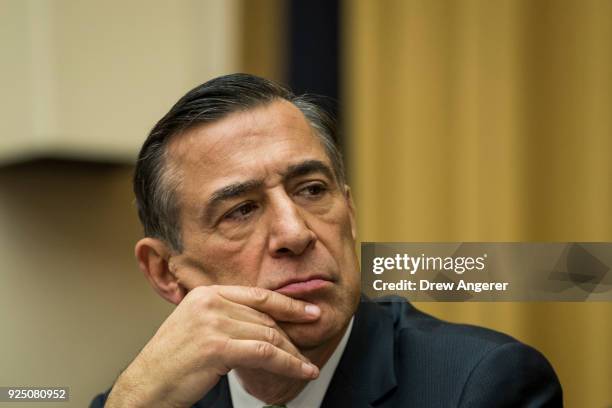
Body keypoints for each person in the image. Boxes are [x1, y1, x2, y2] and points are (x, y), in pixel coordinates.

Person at [91, 73, 562, 407]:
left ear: (349, 213)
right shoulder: (147, 396)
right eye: (241, 210)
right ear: (165, 271)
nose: (295, 233)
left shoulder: (482, 385)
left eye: (312, 190)